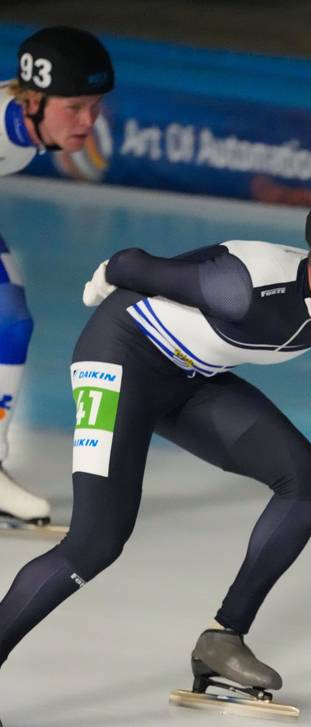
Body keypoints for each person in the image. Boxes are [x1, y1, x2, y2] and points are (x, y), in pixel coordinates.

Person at [0, 192, 311, 727]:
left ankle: (223, 639)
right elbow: (130, 264)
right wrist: (106, 279)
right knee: (95, 541)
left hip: (191, 376)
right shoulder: (240, 288)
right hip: (118, 358)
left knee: (306, 479)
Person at [0, 26, 115, 525]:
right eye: (75, 108)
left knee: (9, 322)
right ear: (33, 103)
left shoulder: (22, 119)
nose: (89, 121)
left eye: (94, 104)